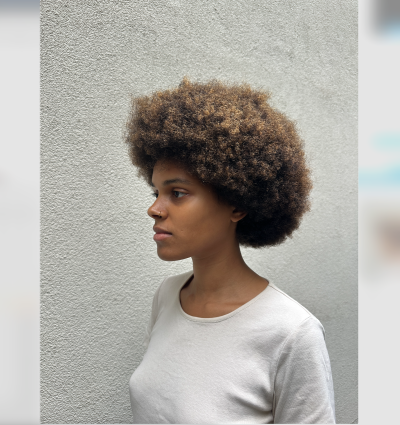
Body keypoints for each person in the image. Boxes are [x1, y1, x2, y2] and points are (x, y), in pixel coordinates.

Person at [124, 77, 336, 424]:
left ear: (237, 204)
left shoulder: (291, 332)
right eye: (156, 192)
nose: (154, 209)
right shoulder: (167, 296)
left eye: (177, 193)